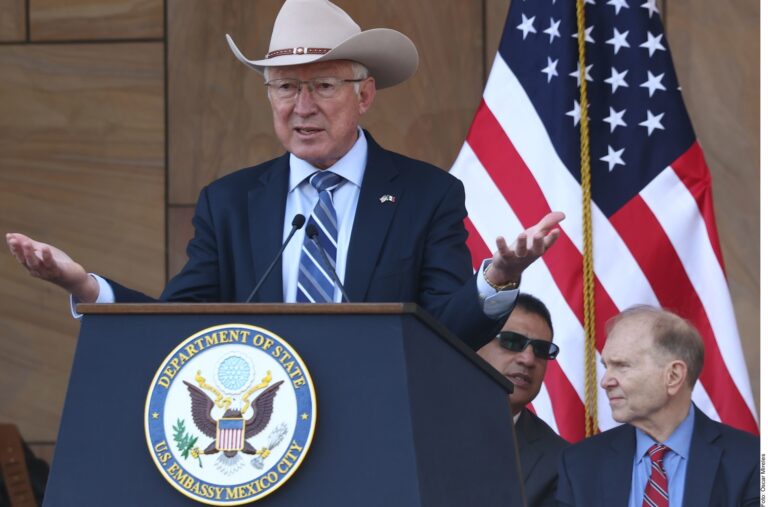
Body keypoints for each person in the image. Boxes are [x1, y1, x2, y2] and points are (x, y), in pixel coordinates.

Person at [5, 0, 564, 350]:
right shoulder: (229, 202)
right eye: (285, 87)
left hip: (381, 431)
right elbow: (176, 324)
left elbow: (450, 331)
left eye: (322, 86)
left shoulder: (425, 194)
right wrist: (84, 287)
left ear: (364, 94)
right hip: (259, 436)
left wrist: (497, 278)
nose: (301, 107)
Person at [556, 306, 759, 507]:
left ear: (673, 376)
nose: (605, 381)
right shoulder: (580, 464)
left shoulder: (753, 460)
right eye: (606, 366)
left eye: (622, 366)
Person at [477, 293, 568, 507]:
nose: (528, 359)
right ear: (475, 344)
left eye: (541, 350)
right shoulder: (416, 422)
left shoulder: (560, 461)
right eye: (512, 341)